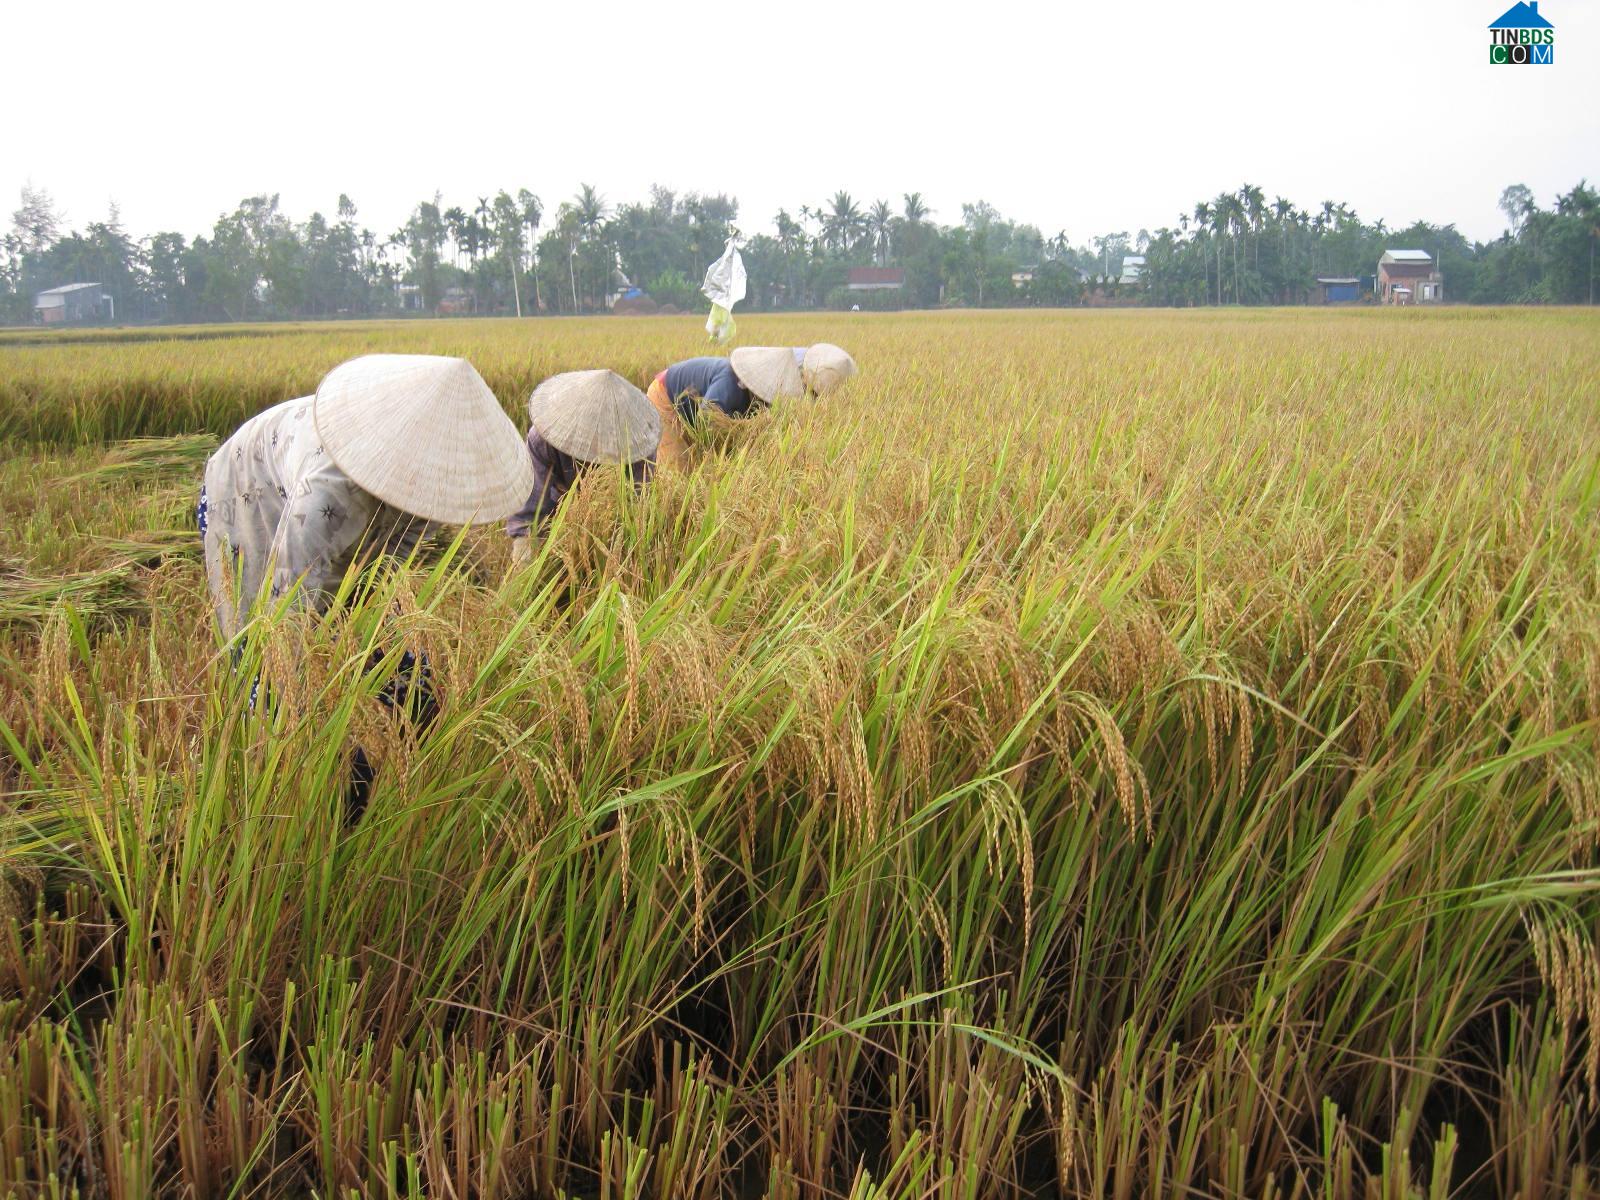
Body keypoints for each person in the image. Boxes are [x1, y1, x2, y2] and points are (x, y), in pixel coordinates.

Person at [198, 353, 533, 821]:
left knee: (405, 674)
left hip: (332, 504)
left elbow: (392, 563)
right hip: (249, 489)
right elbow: (287, 613)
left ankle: (372, 785)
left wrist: (370, 634)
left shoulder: (432, 482)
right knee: (262, 657)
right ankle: (284, 795)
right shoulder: (323, 497)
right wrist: (308, 693)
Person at [507, 369, 661, 562]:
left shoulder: (638, 445)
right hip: (559, 502)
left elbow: (636, 510)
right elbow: (530, 506)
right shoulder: (544, 439)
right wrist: (525, 557)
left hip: (611, 514)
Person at [644, 346, 804, 468]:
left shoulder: (759, 402)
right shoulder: (729, 382)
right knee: (678, 466)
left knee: (698, 466)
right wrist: (732, 434)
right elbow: (706, 418)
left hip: (690, 411)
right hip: (665, 395)